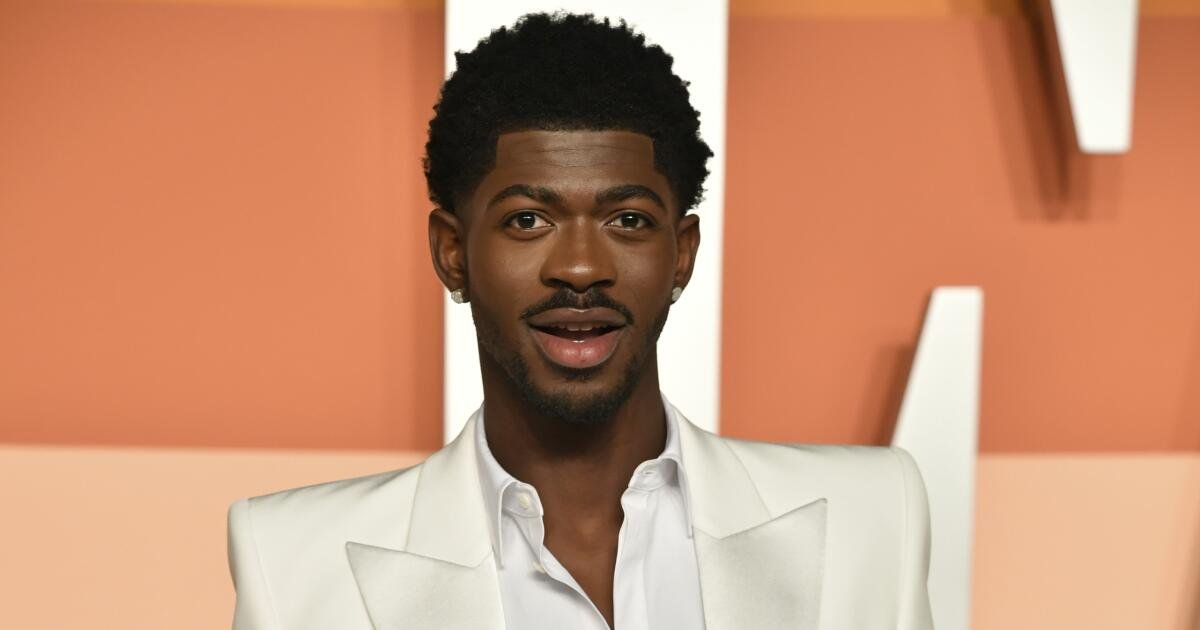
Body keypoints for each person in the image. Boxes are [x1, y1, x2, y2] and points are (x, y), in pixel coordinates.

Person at [227, 12, 934, 630]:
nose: (580, 268)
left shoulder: (874, 516)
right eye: (527, 220)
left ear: (682, 253)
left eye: (627, 220)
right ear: (452, 252)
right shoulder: (292, 558)